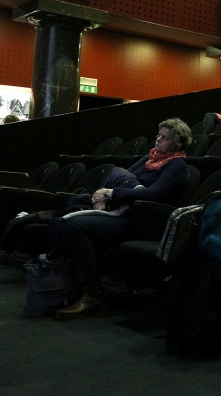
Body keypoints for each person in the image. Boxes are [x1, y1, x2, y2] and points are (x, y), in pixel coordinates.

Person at [46, 118, 193, 318]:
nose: (158, 140)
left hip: (140, 221)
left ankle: (91, 294)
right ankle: (70, 285)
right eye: (158, 135)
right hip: (120, 211)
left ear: (177, 142)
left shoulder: (177, 166)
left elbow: (153, 195)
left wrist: (112, 194)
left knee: (74, 226)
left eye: (164, 138)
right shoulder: (149, 158)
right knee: (68, 213)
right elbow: (119, 177)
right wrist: (105, 196)